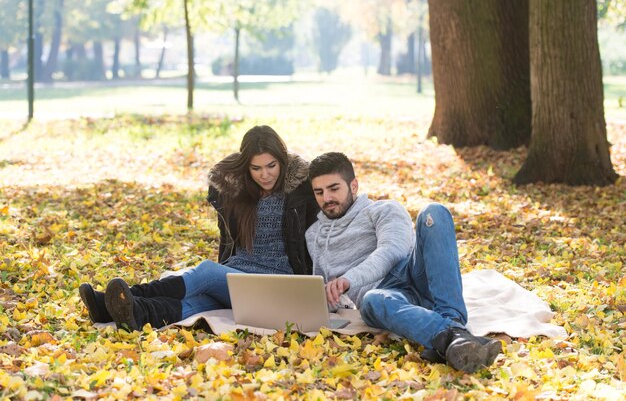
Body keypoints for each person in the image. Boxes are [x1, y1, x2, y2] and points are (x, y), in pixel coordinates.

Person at [79, 125, 319, 331]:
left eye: (271, 166)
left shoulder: (301, 192)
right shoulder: (240, 193)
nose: (264, 175)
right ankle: (137, 312)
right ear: (246, 167)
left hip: (276, 284)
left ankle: (128, 294)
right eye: (256, 168)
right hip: (238, 276)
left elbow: (324, 235)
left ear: (282, 160)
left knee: (205, 272)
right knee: (200, 300)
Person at [305, 152, 501, 373]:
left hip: (413, 272)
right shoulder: (314, 235)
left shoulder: (383, 209)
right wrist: (328, 295)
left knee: (433, 212)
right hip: (386, 297)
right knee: (372, 300)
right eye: (319, 192)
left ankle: (451, 322)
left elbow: (393, 250)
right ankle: (455, 338)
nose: (326, 198)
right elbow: (324, 289)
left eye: (333, 188)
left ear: (353, 186)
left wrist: (349, 279)